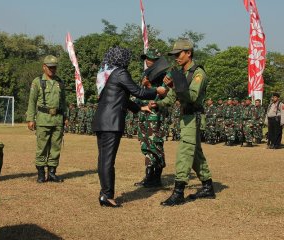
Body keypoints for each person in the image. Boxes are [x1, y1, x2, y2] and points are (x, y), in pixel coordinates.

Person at [92, 46, 167, 208]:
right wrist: (158, 91)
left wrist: (139, 108)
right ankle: (107, 195)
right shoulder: (120, 72)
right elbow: (138, 92)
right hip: (111, 122)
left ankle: (104, 193)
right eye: (126, 57)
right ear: (121, 59)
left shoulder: (106, 73)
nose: (128, 60)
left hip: (101, 120)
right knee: (107, 161)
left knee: (103, 159)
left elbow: (121, 97)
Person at [150, 38, 215, 206]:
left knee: (185, 153)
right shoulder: (181, 73)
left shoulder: (198, 73)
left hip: (194, 118)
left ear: (188, 53)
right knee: (196, 156)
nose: (176, 58)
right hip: (186, 118)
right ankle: (208, 187)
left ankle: (178, 192)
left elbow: (192, 97)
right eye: (174, 55)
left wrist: (175, 83)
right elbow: (171, 98)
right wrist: (158, 103)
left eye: (178, 54)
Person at [26, 55, 68, 183]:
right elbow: (32, 101)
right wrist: (30, 118)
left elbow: (63, 102)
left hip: (58, 120)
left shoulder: (60, 82)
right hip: (43, 120)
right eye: (50, 67)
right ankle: (40, 173)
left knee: (56, 147)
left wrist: (65, 117)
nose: (52, 70)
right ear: (44, 67)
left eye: (54, 67)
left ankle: (52, 173)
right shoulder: (37, 82)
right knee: (42, 147)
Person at [135, 49, 169, 188]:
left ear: (157, 61)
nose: (147, 60)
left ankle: (156, 178)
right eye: (146, 58)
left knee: (156, 145)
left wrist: (149, 86)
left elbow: (166, 93)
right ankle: (149, 176)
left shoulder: (164, 75)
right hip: (145, 114)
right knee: (146, 145)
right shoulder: (146, 73)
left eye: (150, 58)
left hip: (156, 114)